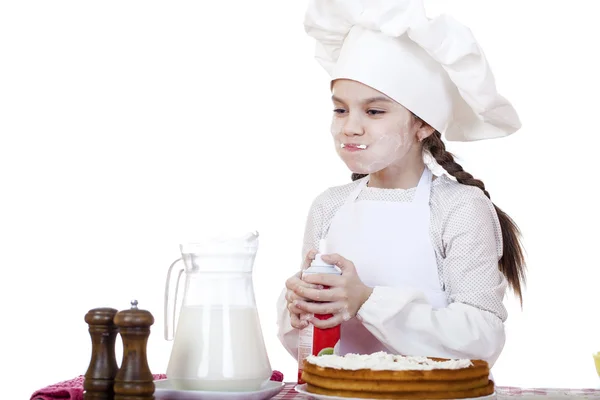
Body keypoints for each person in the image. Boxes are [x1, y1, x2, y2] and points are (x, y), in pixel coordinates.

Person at [276, 0, 526, 368]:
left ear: (423, 124)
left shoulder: (459, 208)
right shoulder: (328, 207)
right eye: (341, 109)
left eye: (375, 111)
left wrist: (365, 300)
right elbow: (311, 348)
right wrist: (298, 313)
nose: (350, 127)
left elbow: (482, 338)